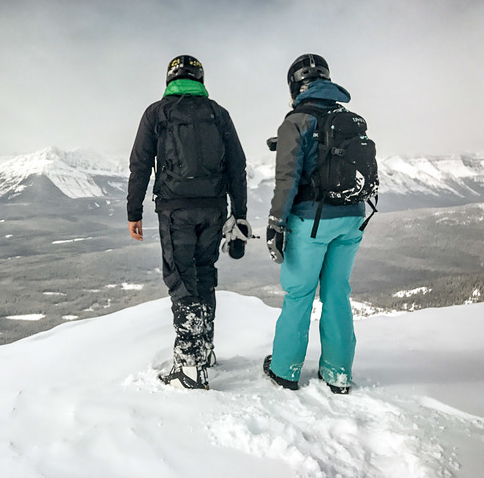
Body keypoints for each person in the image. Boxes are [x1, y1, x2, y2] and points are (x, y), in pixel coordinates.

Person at [127, 55, 248, 390]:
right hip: (213, 208)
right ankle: (205, 348)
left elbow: (140, 164)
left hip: (175, 209)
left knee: (180, 277)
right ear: (200, 79)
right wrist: (240, 214)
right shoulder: (218, 114)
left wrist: (133, 212)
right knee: (204, 272)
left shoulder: (157, 113)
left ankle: (190, 365)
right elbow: (237, 166)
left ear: (169, 79)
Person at [264, 53, 368, 395]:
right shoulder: (347, 117)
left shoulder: (296, 121)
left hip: (312, 222)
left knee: (300, 294)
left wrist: (276, 222)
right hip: (352, 218)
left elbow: (287, 179)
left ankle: (285, 370)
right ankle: (338, 374)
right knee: (337, 293)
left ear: (295, 86)